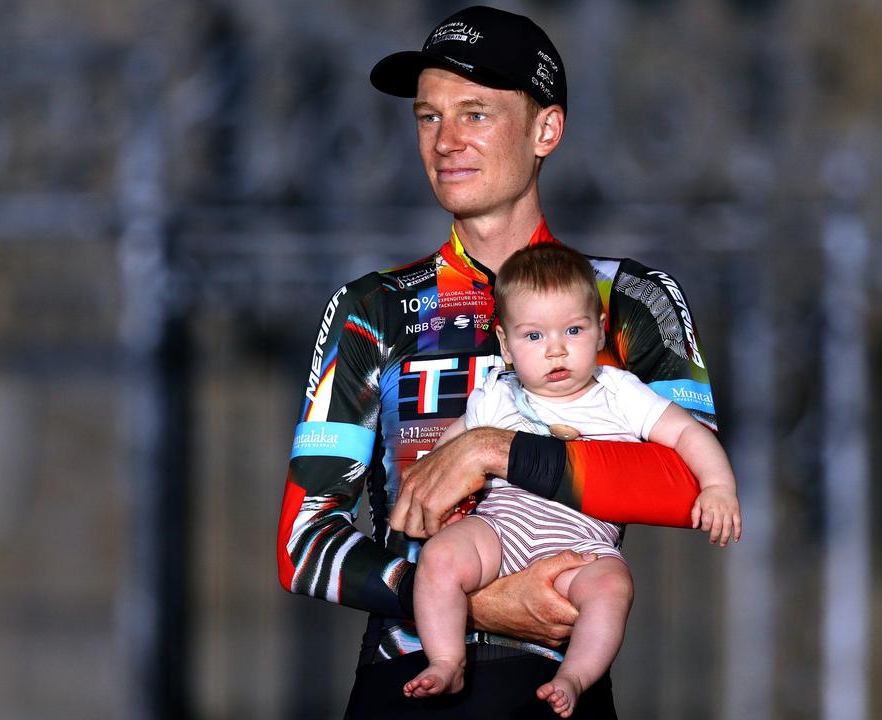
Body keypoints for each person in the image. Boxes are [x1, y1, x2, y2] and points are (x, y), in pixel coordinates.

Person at [276, 6, 728, 718]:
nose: (445, 141)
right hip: (407, 678)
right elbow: (303, 543)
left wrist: (495, 449)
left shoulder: (630, 299)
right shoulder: (375, 307)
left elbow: (686, 487)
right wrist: (484, 601)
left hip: (554, 689)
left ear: (545, 129)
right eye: (428, 117)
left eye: (476, 114)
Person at [405, 243, 740, 717]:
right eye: (534, 336)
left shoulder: (618, 392)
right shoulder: (496, 396)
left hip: (583, 544)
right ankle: (445, 659)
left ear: (601, 330)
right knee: (439, 559)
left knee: (611, 588)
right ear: (505, 344)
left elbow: (687, 433)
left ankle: (575, 676)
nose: (556, 349)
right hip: (502, 531)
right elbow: (447, 456)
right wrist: (433, 492)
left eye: (574, 330)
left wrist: (718, 486)